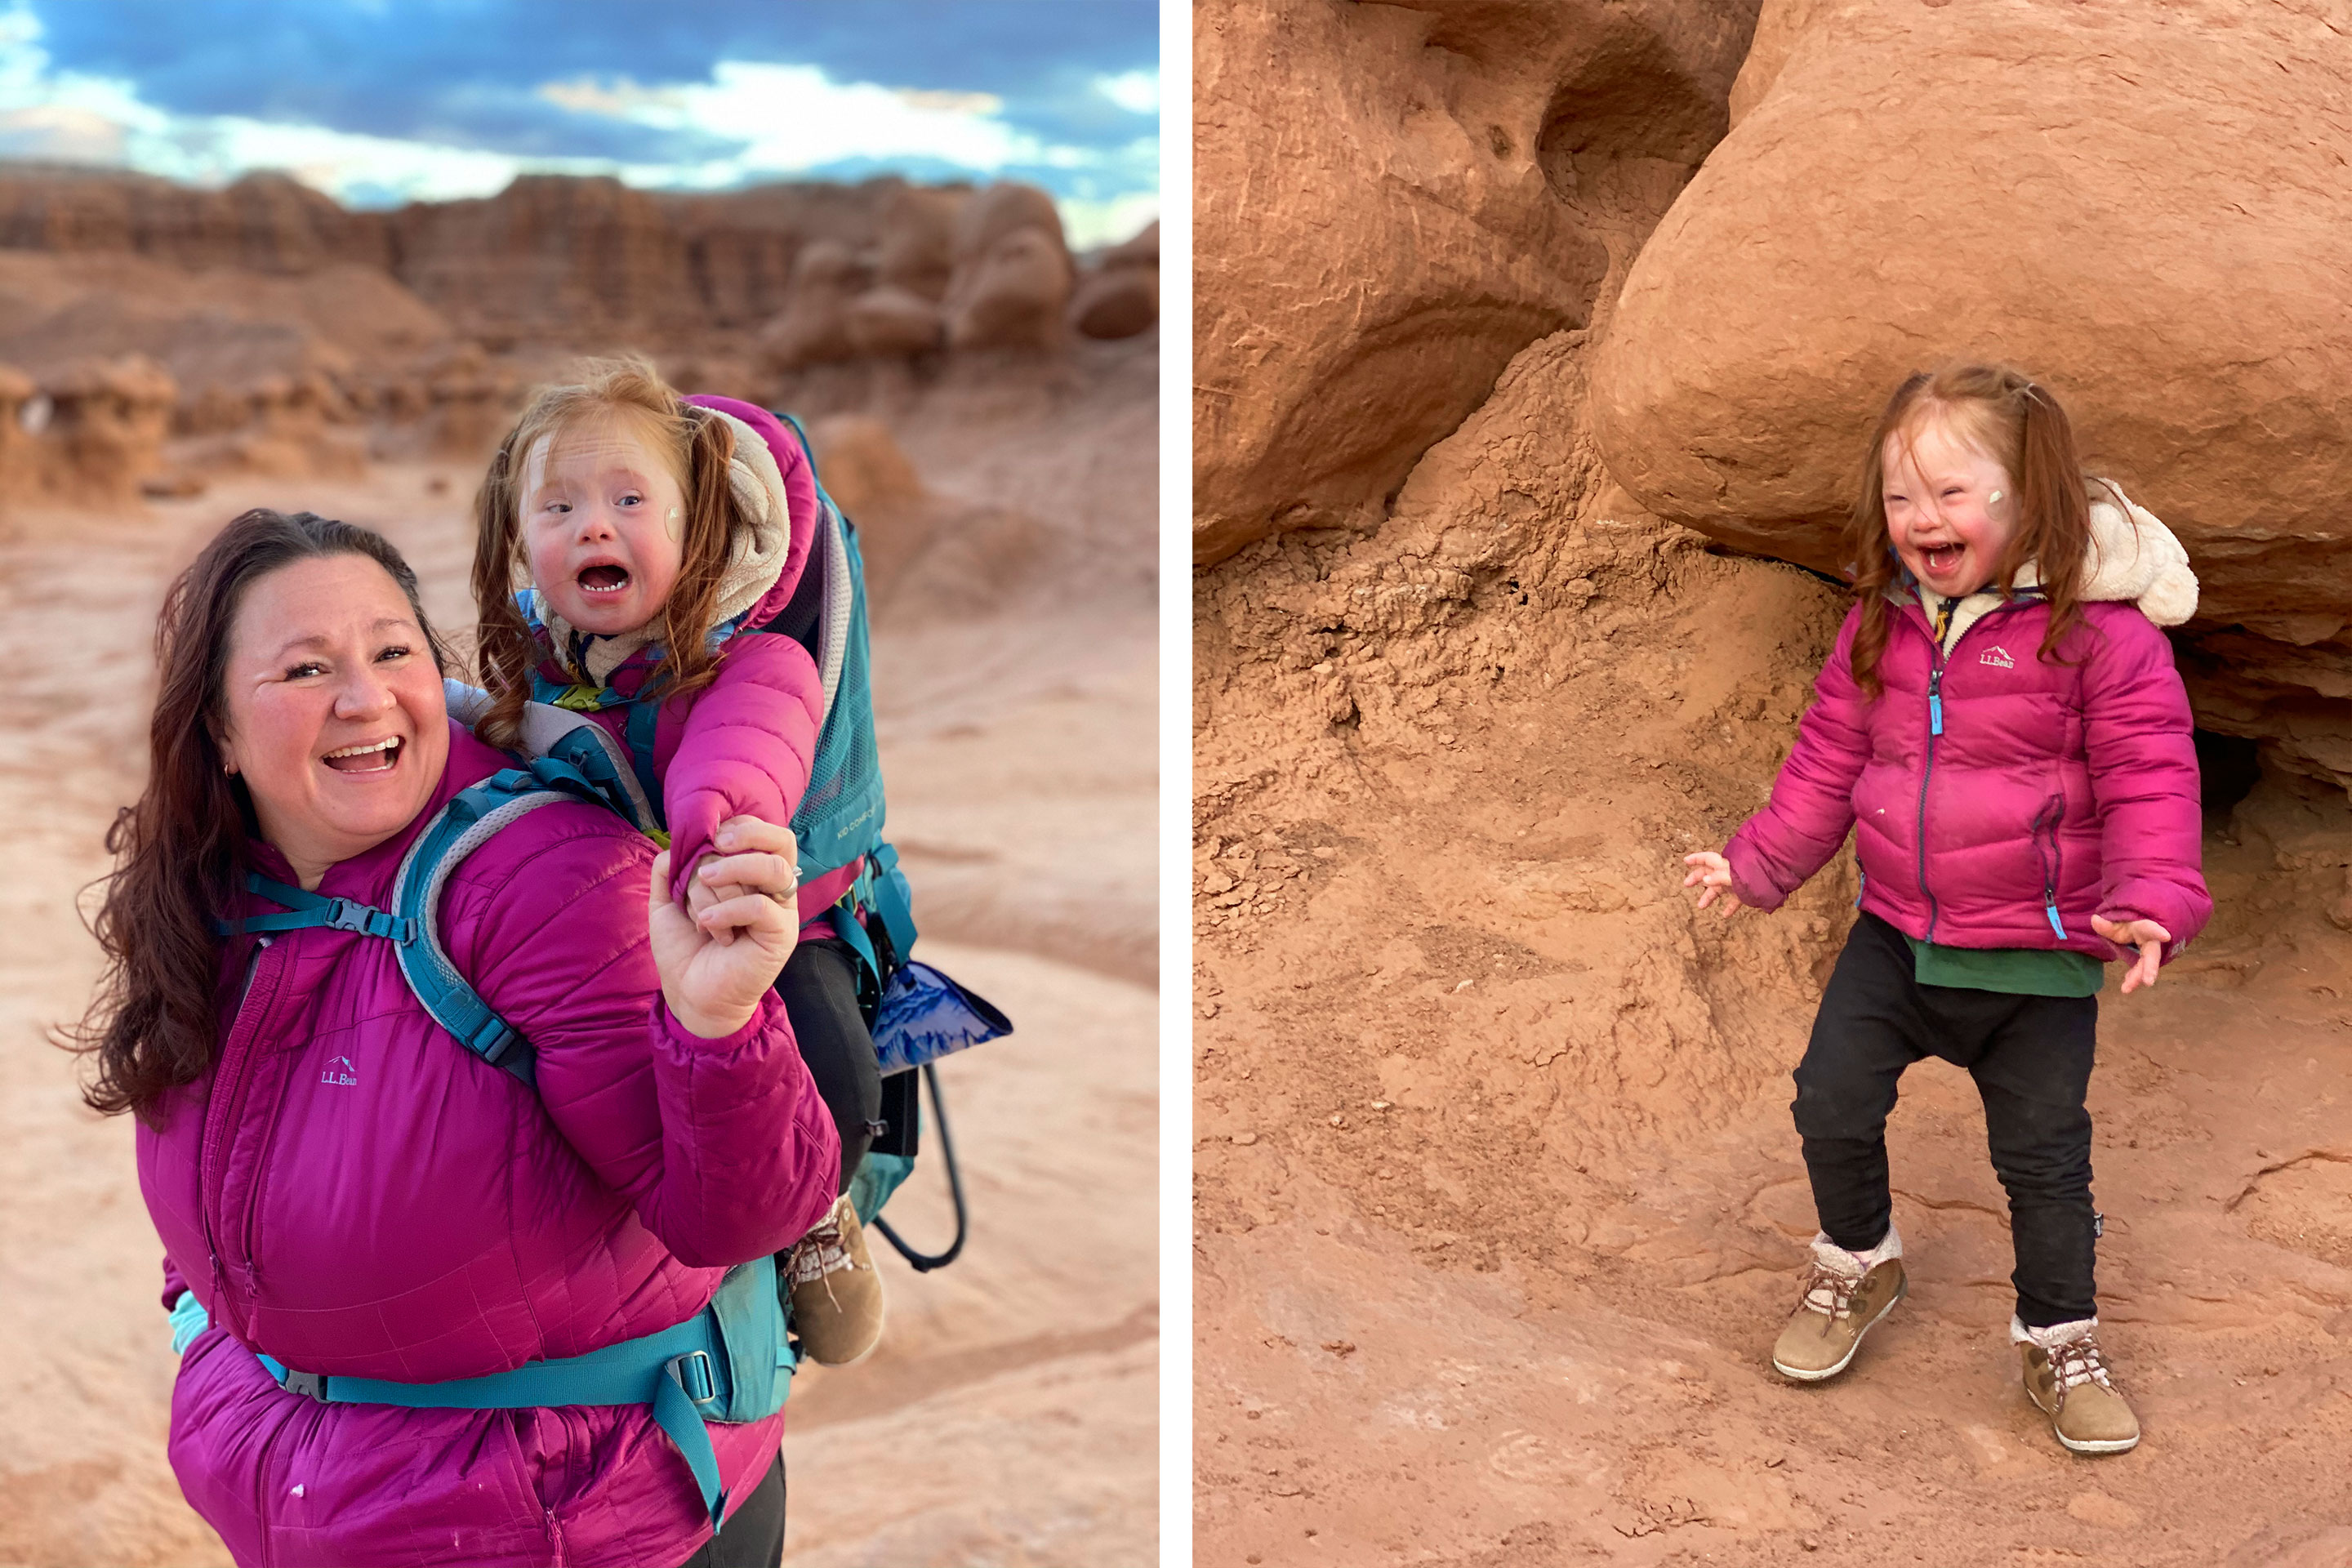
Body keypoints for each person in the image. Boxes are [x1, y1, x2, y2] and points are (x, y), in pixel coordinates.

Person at [72, 508, 835, 1567]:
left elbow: (737, 1213)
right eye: (305, 670)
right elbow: (214, 1172)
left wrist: (718, 1022)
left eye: (394, 651)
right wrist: (212, 1331)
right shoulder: (212, 893)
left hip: (578, 1521)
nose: (364, 696)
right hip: (316, 1506)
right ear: (217, 732)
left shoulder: (546, 883)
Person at [1679, 363, 2210, 1455]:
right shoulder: (1884, 626)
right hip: (1899, 936)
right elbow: (1827, 758)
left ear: (2029, 499)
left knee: (2044, 1161)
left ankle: (2057, 1336)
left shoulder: (2102, 636)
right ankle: (1858, 1264)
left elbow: (2150, 775)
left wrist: (2152, 899)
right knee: (1829, 1097)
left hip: (2035, 959)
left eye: (1953, 493)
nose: (1924, 520)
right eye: (1901, 498)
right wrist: (1760, 865)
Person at [468, 358, 889, 1366]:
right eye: (559, 507)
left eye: (627, 501)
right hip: (613, 909)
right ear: (521, 538)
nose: (593, 527)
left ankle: (817, 1214)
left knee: (830, 1072)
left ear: (693, 526)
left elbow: (747, 746)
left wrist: (716, 834)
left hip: (752, 906)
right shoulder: (544, 647)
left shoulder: (749, 652)